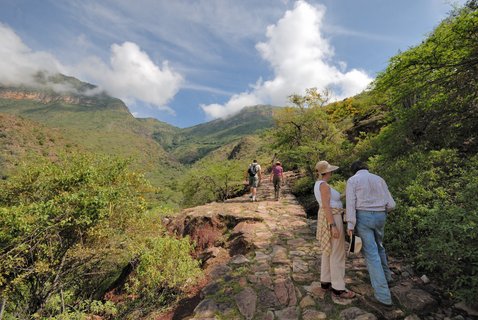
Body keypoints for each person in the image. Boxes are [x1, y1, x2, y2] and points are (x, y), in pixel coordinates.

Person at [345, 160, 396, 307]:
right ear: (366, 168)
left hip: (363, 217)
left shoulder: (353, 180)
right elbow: (391, 204)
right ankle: (387, 278)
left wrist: (350, 224)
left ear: (353, 170)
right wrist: (381, 211)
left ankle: (383, 296)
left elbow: (351, 204)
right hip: (381, 216)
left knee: (371, 253)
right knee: (380, 247)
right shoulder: (379, 179)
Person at [314, 160, 356, 300]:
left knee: (328, 251)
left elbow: (330, 202)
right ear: (328, 172)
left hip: (328, 216)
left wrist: (344, 194)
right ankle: (338, 288)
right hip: (332, 218)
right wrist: (333, 226)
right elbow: (327, 206)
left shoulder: (319, 184)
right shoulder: (324, 185)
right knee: (337, 252)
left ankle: (325, 281)